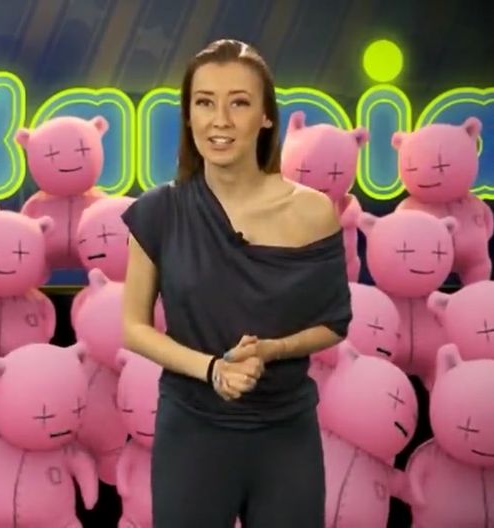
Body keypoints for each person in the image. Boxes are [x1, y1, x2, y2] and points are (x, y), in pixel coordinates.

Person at [121, 39, 352, 527]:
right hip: (192, 432)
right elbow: (133, 327)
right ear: (188, 116)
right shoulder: (160, 211)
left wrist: (272, 350)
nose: (219, 120)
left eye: (239, 103)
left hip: (285, 433)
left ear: (266, 116)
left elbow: (333, 323)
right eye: (205, 103)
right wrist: (212, 370)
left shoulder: (312, 212)